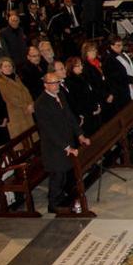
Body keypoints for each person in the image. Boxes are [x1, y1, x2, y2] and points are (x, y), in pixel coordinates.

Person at [34, 71, 90, 213]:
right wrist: (66, 147)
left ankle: (63, 198)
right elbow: (48, 130)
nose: (57, 85)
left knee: (66, 173)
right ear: (46, 85)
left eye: (57, 82)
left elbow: (70, 117)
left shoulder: (60, 95)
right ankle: (53, 204)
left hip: (67, 140)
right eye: (53, 83)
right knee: (57, 175)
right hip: (54, 146)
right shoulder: (41, 103)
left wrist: (80, 135)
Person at [0, 57, 35, 138]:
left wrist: (31, 104)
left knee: (32, 136)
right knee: (22, 139)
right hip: (16, 114)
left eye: (10, 66)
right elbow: (11, 98)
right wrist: (26, 106)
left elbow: (26, 92)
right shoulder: (0, 83)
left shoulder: (17, 78)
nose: (8, 68)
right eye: (5, 66)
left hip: (27, 110)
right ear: (0, 69)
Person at [103, 36, 133, 109]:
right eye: (118, 45)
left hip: (131, 85)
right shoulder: (109, 59)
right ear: (111, 46)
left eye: (122, 45)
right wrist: (132, 80)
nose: (121, 47)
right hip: (122, 91)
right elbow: (116, 76)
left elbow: (132, 66)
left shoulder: (123, 54)